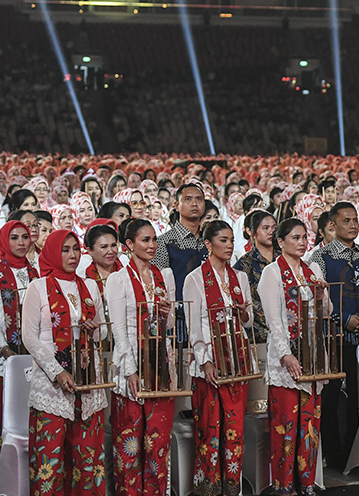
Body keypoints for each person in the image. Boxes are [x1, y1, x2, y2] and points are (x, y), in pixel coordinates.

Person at [22, 230, 109, 495]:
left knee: (87, 458)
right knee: (52, 458)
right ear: (51, 252)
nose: (72, 255)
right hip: (51, 385)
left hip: (86, 380)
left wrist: (94, 329)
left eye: (75, 249)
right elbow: (29, 337)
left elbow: (104, 332)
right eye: (65, 250)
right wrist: (57, 370)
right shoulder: (37, 287)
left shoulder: (90, 285)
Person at [307, 201, 359, 470]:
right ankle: (334, 455)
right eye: (346, 221)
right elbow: (319, 299)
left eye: (355, 220)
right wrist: (343, 320)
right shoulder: (320, 257)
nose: (353, 225)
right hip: (334, 340)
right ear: (332, 224)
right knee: (330, 400)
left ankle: (358, 453)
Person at [105, 218, 177, 495]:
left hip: (160, 367)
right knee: (130, 445)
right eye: (145, 240)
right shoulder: (118, 279)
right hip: (131, 369)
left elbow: (169, 325)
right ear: (129, 245)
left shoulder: (164, 275)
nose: (151, 245)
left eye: (154, 240)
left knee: (158, 444)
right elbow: (119, 331)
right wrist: (130, 371)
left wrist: (166, 312)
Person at [259, 218, 329, 495]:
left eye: (304, 238)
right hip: (285, 357)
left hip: (313, 353)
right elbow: (274, 320)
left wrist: (322, 295)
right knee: (285, 426)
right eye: (295, 238)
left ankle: (307, 482)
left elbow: (326, 311)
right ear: (281, 242)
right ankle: (284, 483)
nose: (302, 243)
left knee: (310, 424)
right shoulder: (272, 273)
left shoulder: (313, 269)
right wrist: (286, 354)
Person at [184, 220, 253, 495]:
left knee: (235, 428)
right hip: (209, 361)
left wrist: (243, 313)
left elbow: (247, 322)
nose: (228, 245)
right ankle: (208, 486)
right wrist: (205, 360)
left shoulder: (241, 278)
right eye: (222, 240)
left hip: (237, 360)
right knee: (209, 428)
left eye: (230, 240)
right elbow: (193, 326)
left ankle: (231, 485)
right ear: (208, 245)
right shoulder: (195, 279)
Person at [151, 183, 207, 339]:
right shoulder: (163, 242)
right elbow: (159, 284)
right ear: (176, 205)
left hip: (210, 316)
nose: (194, 204)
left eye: (199, 199)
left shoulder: (210, 241)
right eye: (188, 199)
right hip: (178, 320)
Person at [0, 220, 36, 432]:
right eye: (14, 238)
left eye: (25, 237)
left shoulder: (36, 272)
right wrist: (3, 347)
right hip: (6, 353)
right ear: (4, 241)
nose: (21, 242)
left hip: (34, 353)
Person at [234, 210, 278, 344]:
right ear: (252, 233)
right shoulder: (244, 264)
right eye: (265, 228)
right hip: (260, 335)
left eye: (274, 228)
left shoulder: (283, 259)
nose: (271, 232)